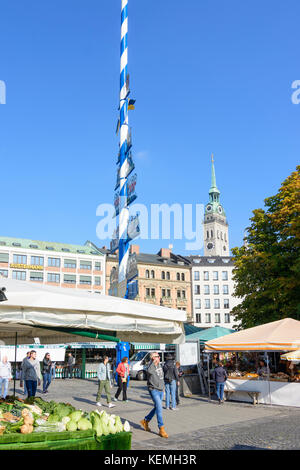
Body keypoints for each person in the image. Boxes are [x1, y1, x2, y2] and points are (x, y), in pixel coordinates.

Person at [140, 352, 168, 438]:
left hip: (160, 390)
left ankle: (146, 420)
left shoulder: (159, 365)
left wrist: (163, 387)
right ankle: (161, 428)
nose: (159, 358)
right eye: (158, 356)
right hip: (153, 390)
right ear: (153, 358)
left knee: (157, 407)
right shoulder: (150, 366)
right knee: (159, 407)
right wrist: (153, 362)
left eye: (159, 356)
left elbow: (161, 377)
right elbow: (149, 371)